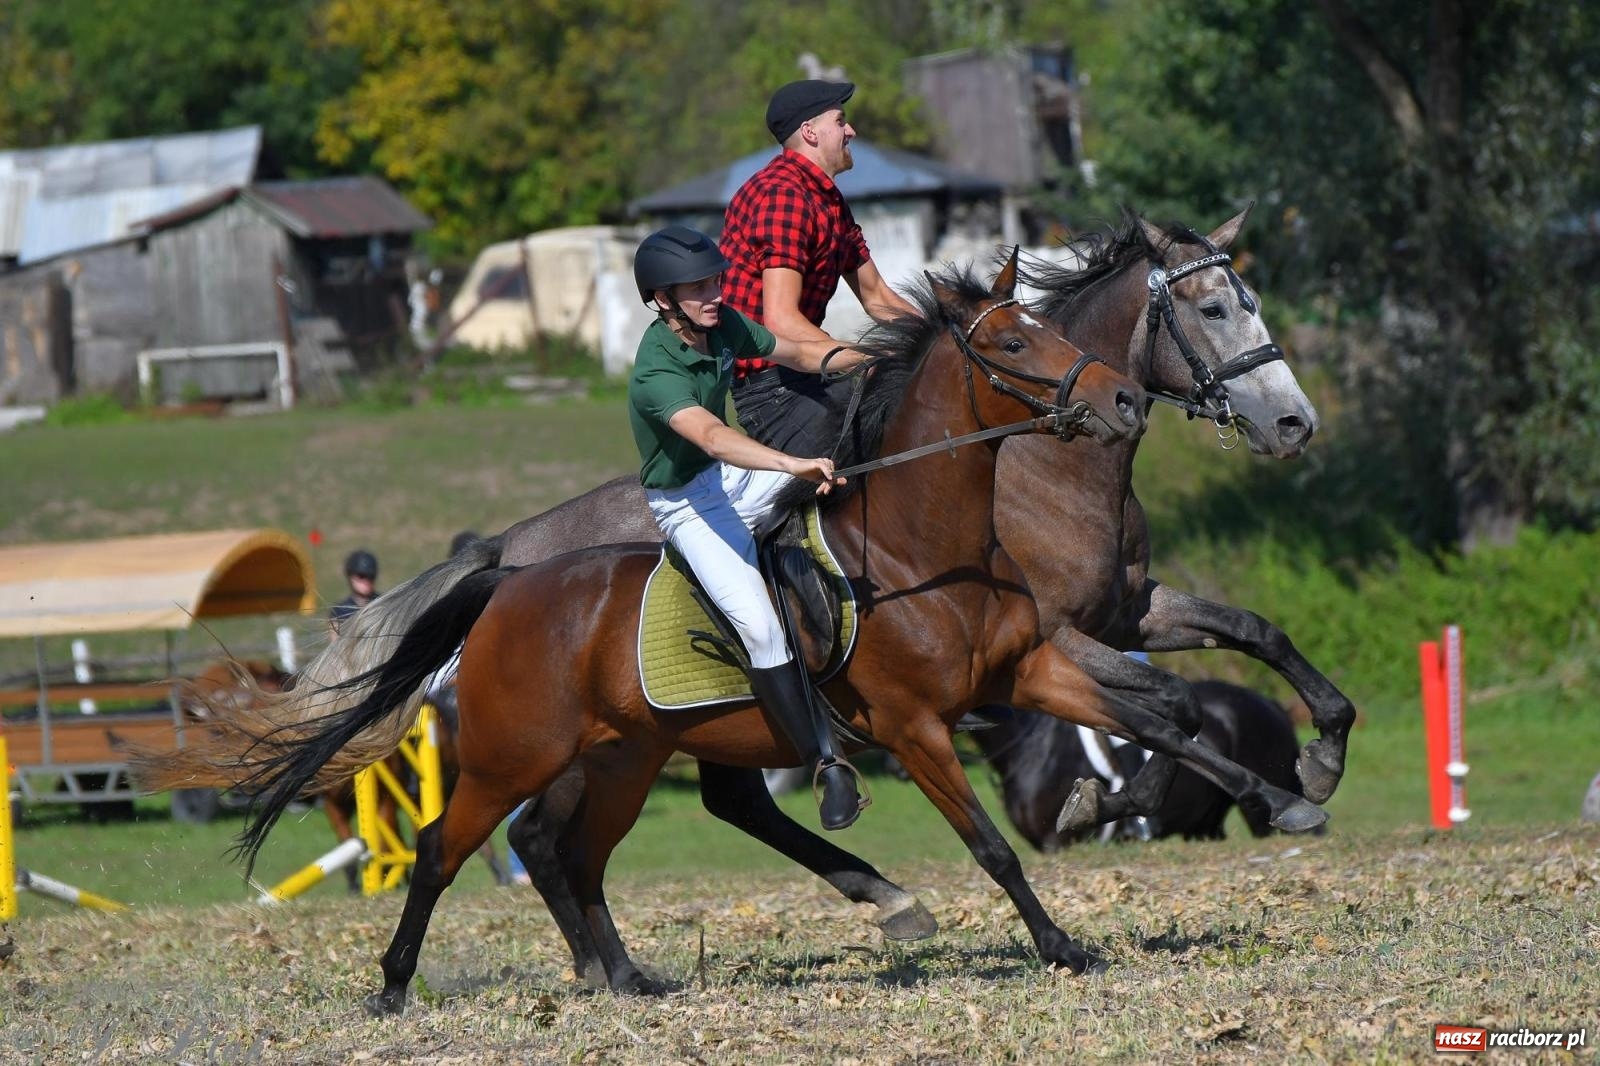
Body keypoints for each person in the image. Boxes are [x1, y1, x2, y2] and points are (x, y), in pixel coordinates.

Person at [628, 224, 870, 831]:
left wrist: (877, 359)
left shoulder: (722, 323)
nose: (715, 292)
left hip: (727, 481)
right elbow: (711, 436)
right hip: (687, 503)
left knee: (850, 468)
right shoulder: (654, 371)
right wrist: (790, 464)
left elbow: (795, 352)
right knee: (762, 628)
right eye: (698, 286)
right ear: (663, 300)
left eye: (715, 279)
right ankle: (824, 765)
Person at [719, 79, 923, 457]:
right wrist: (869, 359)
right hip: (773, 390)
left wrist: (939, 338)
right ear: (810, 132)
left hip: (807, 374)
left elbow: (877, 296)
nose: (851, 131)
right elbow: (780, 322)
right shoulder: (783, 195)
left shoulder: (826, 199)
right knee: (867, 470)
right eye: (841, 121)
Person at [328, 549, 380, 636]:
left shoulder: (382, 604)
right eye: (361, 576)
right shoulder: (339, 611)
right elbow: (335, 644)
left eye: (371, 576)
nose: (366, 580)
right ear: (350, 576)